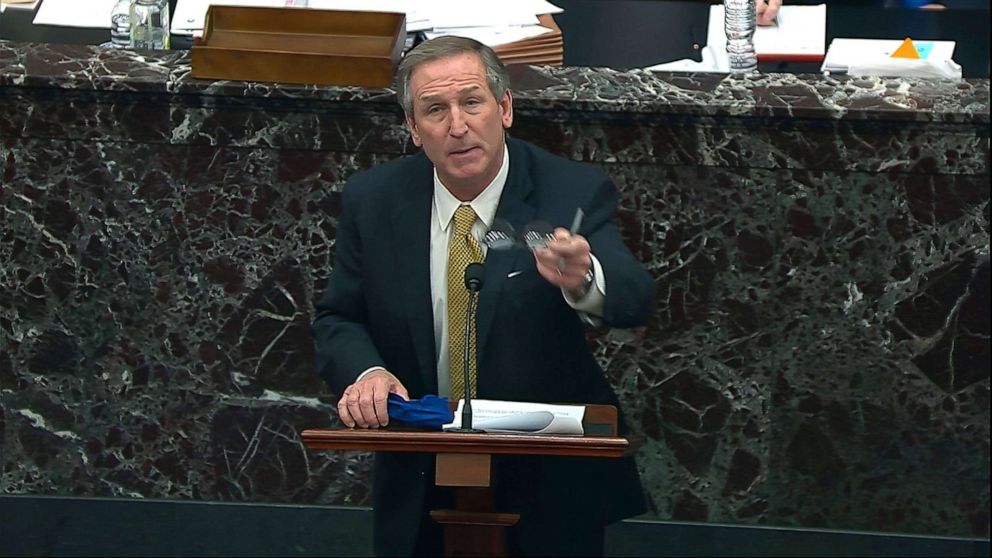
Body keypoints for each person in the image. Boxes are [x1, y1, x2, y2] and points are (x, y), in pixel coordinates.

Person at [312, 36, 656, 556]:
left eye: (471, 102)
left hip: (546, 478)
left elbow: (635, 299)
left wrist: (585, 278)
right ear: (412, 128)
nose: (457, 125)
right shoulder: (374, 199)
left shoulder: (569, 190)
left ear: (504, 108)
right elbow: (339, 316)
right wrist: (368, 373)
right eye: (435, 109)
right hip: (420, 469)